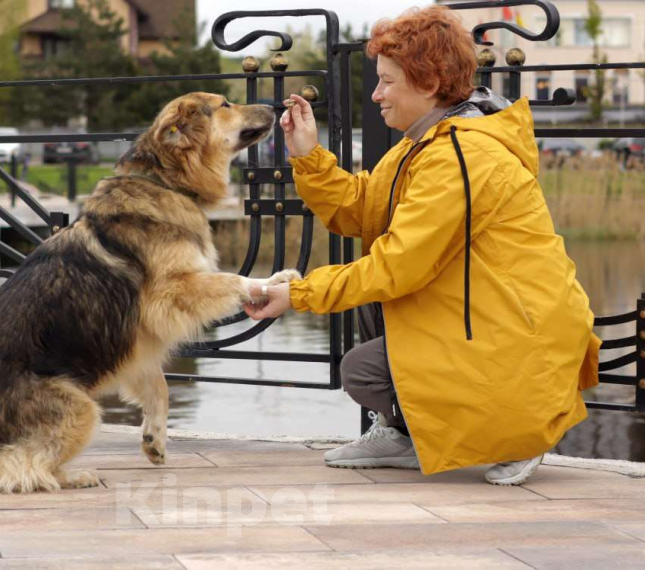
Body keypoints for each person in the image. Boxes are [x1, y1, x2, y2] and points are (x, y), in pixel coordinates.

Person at [244, 6, 600, 486]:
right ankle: (411, 434)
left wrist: (299, 294)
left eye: (387, 82)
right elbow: (360, 208)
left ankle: (517, 431)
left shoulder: (463, 153)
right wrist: (308, 154)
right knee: (374, 314)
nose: (376, 95)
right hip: (482, 318)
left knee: (361, 371)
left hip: (515, 338)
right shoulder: (428, 141)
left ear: (428, 83)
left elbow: (399, 266)